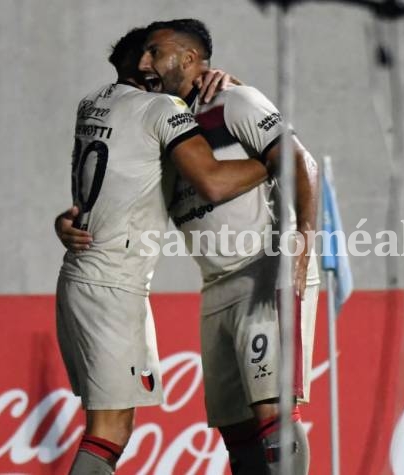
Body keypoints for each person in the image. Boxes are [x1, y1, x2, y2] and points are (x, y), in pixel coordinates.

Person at [55, 26, 269, 475]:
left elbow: (107, 179)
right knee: (108, 430)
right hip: (112, 282)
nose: (156, 64)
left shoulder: (92, 103)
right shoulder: (161, 107)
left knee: (113, 427)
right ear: (141, 65)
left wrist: (226, 82)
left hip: (85, 274)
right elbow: (210, 178)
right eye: (151, 54)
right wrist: (274, 157)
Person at [140, 19, 319, 475]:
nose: (145, 64)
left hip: (264, 267)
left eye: (154, 52)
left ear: (186, 59)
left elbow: (302, 162)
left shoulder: (233, 100)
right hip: (216, 284)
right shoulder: (166, 125)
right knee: (236, 433)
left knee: (272, 416)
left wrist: (303, 239)